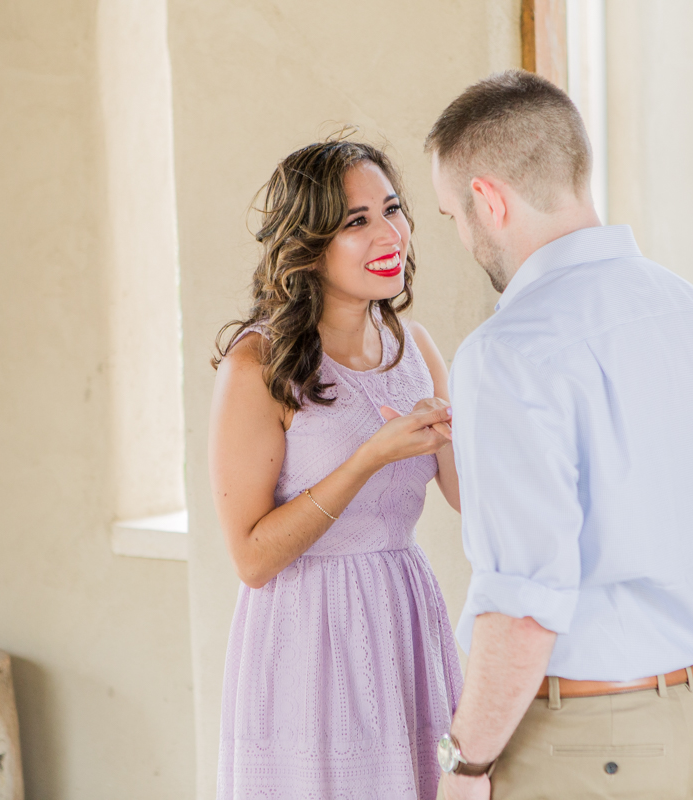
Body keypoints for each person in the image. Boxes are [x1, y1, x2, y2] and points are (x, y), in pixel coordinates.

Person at [426, 71, 693, 800]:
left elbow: (525, 603)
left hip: (578, 751)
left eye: (454, 216)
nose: (463, 237)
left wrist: (464, 767)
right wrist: (677, 687)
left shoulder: (509, 353)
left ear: (489, 199)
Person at [208, 138, 464, 800]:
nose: (390, 234)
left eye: (394, 209)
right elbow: (252, 559)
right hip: (307, 638)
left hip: (404, 619)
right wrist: (369, 458)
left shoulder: (417, 347)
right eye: (357, 221)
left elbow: (469, 496)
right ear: (310, 246)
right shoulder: (257, 366)